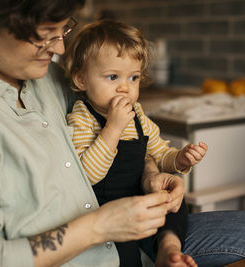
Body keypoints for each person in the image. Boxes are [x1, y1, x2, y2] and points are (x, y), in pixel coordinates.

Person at [0, 1, 245, 267]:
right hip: (78, 253)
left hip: (120, 234)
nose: (59, 49)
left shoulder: (44, 76)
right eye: (42, 36)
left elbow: (118, 128)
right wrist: (100, 227)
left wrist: (151, 172)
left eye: (63, 30)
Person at [64, 20, 206, 267]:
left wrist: (179, 159)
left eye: (133, 78)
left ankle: (168, 248)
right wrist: (113, 128)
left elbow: (159, 152)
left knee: (174, 199)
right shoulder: (82, 117)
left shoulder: (137, 114)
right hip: (108, 211)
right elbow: (87, 174)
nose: (124, 88)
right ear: (81, 79)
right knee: (122, 253)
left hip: (139, 198)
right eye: (112, 77)